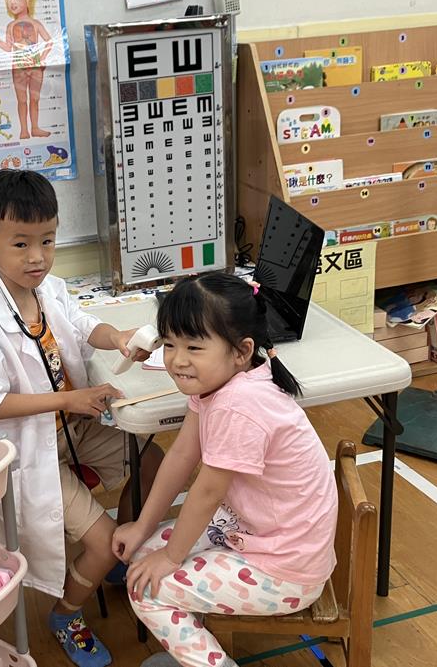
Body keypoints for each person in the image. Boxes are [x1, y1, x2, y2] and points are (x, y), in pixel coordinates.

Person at [0, 169, 163, 667]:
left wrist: (117, 338)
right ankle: (66, 614)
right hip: (27, 451)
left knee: (153, 459)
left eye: (47, 241)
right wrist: (67, 401)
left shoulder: (49, 291)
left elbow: (83, 324)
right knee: (98, 544)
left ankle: (122, 548)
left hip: (68, 431)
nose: (37, 257)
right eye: (21, 244)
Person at [111, 273, 337, 667]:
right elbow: (182, 455)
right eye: (169, 344)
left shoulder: (239, 403)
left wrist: (171, 558)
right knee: (146, 556)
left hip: (285, 568)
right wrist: (143, 526)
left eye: (194, 347)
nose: (177, 360)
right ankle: (194, 650)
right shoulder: (219, 384)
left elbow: (207, 492)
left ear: (241, 351)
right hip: (258, 533)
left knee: (146, 587)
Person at [0, 0, 54, 139]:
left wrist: (42, 58)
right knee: (22, 101)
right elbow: (8, 48)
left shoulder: (35, 24)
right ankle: (24, 130)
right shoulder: (10, 26)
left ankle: (35, 128)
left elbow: (49, 41)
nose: (12, 2)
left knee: (34, 99)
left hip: (35, 68)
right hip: (18, 68)